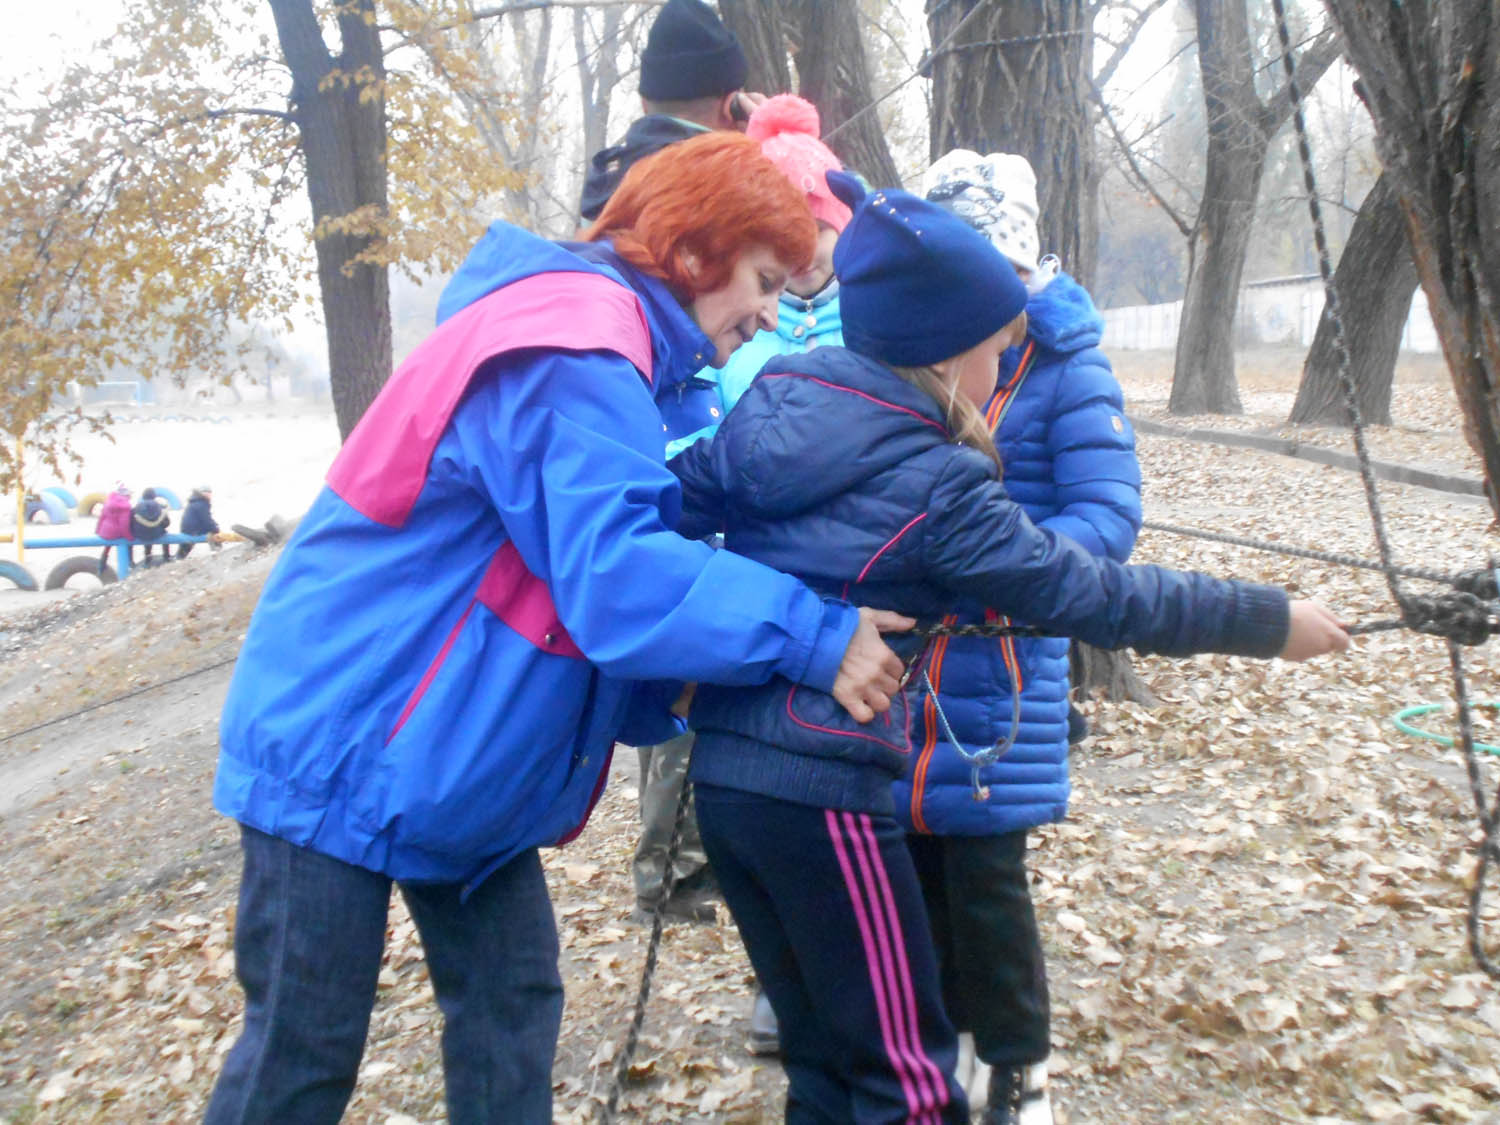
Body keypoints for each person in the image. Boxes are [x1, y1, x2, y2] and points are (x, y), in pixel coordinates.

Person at [202, 132, 913, 1125]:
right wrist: (813, 635)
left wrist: (691, 683)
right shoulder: (570, 344)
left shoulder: (619, 358)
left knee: (511, 1007)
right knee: (303, 1047)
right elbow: (616, 576)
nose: (766, 315)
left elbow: (556, 594)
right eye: (761, 280)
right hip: (343, 732)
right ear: (693, 251)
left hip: (452, 754)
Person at [667, 172, 1349, 1123]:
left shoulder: (771, 404)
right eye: (995, 350)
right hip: (827, 796)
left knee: (824, 1064)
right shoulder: (938, 481)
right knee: (908, 1084)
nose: (1002, 368)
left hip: (728, 785)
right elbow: (1096, 593)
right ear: (951, 357)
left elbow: (661, 517)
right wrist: (1267, 620)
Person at [896, 149, 1139, 1124]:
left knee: (987, 877)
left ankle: (1019, 1064)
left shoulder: (1068, 370)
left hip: (997, 663)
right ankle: (945, 1045)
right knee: (913, 865)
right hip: (906, 664)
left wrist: (1001, 567)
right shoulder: (907, 353)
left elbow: (1107, 516)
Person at [633, 94, 856, 930]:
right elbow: (688, 434)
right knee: (684, 715)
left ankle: (756, 864)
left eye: (821, 231)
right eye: (774, 266)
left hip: (808, 554)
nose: (808, 254)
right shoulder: (718, 328)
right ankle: (670, 872)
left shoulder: (857, 318)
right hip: (721, 540)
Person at [579, 0, 759, 222]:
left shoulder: (601, 191)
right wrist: (775, 145)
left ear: (645, 105)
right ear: (731, 107)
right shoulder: (747, 194)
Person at [94, 483, 132, 577]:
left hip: (105, 532)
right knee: (128, 544)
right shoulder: (125, 506)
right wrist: (129, 537)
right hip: (116, 533)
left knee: (107, 547)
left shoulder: (108, 502)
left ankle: (101, 566)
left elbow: (102, 518)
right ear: (126, 495)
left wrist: (98, 530)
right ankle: (130, 563)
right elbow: (124, 524)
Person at [129, 486, 170, 567]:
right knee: (164, 533)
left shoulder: (137, 506)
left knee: (144, 531)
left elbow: (130, 522)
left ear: (143, 496)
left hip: (140, 535)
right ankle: (166, 556)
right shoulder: (160, 506)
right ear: (154, 496)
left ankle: (134, 560)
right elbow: (167, 523)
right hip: (157, 534)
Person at [177, 486, 220, 559]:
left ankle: (179, 557)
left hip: (187, 529)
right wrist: (216, 529)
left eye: (210, 492)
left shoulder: (194, 501)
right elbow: (207, 521)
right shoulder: (201, 503)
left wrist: (214, 526)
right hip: (194, 531)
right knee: (215, 535)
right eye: (207, 492)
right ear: (202, 493)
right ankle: (217, 554)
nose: (209, 494)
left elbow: (206, 519)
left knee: (184, 550)